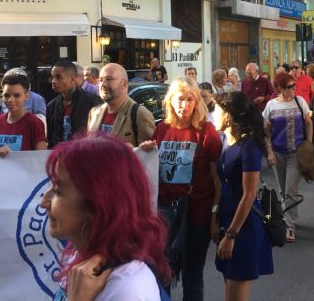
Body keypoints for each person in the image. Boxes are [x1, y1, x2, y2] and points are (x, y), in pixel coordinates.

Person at [42, 137, 171, 301]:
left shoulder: (128, 289)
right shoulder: (85, 259)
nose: (43, 203)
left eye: (58, 191)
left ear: (98, 203)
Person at [139, 77, 222, 301]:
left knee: (192, 276)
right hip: (165, 215)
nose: (184, 104)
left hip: (197, 215)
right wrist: (146, 150)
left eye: (190, 99)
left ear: (197, 102)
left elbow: (217, 180)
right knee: (161, 273)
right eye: (179, 99)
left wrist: (215, 216)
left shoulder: (207, 132)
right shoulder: (161, 130)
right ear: (170, 101)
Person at [214, 91, 273, 299]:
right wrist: (216, 218)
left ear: (228, 115)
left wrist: (231, 235)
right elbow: (221, 183)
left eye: (217, 110)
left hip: (243, 228)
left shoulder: (248, 146)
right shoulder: (225, 141)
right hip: (226, 222)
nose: (213, 114)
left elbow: (249, 194)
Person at [262, 72, 312, 242]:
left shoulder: (300, 102)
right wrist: (269, 152)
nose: (292, 89)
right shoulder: (271, 106)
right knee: (283, 189)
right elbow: (266, 132)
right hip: (277, 152)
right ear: (279, 88)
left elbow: (309, 122)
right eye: (288, 87)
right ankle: (288, 215)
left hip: (296, 153)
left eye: (294, 86)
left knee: (291, 189)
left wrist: (309, 144)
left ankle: (289, 225)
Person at [87, 63, 155, 146]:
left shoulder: (140, 114)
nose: (103, 84)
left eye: (109, 79)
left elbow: (146, 155)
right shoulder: (94, 112)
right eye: (101, 80)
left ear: (124, 84)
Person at [0, 71, 47, 157]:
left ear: (26, 96)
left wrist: (13, 156)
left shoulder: (34, 122)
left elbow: (41, 158)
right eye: (6, 95)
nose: (10, 100)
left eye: (17, 95)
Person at [47, 60, 103, 147]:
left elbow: (100, 136)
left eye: (58, 77)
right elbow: (51, 139)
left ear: (73, 78)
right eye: (52, 77)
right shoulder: (52, 106)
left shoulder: (93, 102)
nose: (53, 81)